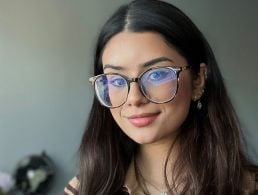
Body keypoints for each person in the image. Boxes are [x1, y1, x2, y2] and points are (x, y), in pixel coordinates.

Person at [64, 0, 258, 194]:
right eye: (115, 80)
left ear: (198, 79)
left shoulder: (249, 187)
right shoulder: (83, 189)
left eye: (156, 74)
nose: (134, 98)